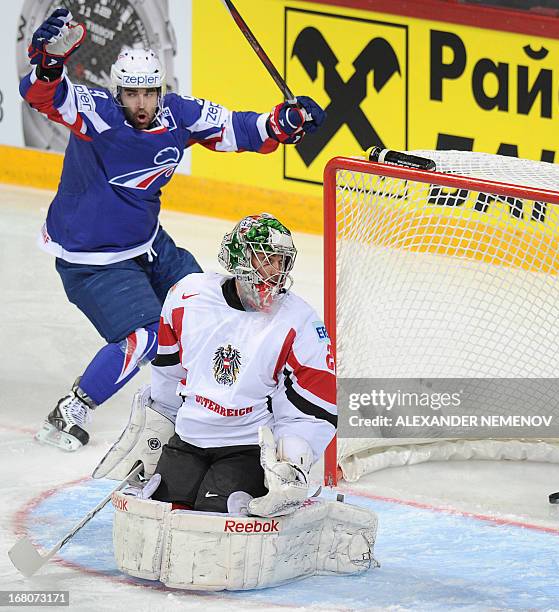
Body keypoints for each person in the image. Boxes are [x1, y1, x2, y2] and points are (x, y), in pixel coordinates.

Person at [19, 9, 325, 452]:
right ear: (117, 91)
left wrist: (284, 122)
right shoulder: (99, 116)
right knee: (145, 336)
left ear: (160, 91)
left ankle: (206, 398)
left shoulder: (177, 116)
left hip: (148, 244)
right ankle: (72, 408)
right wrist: (49, 63)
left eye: (149, 93)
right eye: (131, 94)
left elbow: (239, 129)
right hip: (94, 261)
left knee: (209, 305)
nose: (140, 104)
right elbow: (43, 96)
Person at [95, 213, 337, 517]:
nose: (275, 272)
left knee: (214, 518)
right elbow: (169, 372)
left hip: (248, 446)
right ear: (238, 259)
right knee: (161, 511)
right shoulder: (188, 297)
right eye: (266, 260)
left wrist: (292, 461)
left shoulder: (299, 321)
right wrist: (156, 425)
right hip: (189, 437)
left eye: (281, 262)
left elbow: (318, 404)